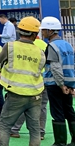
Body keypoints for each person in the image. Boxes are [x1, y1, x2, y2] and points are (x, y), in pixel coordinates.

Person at [0, 16, 45, 146]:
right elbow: (40, 68)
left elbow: (1, 60)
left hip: (15, 94)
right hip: (35, 94)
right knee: (34, 129)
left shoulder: (10, 47)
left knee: (5, 125)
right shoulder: (40, 52)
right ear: (35, 34)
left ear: (19, 31)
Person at [40, 16, 75, 145]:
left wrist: (61, 85)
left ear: (50, 31)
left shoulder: (52, 46)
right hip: (69, 83)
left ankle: (60, 142)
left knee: (57, 113)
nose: (42, 32)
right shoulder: (68, 45)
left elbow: (55, 68)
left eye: (44, 30)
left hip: (56, 84)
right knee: (69, 111)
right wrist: (71, 85)